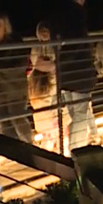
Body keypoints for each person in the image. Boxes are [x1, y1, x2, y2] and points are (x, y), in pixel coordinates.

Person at [55, 0, 96, 151]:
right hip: (80, 73)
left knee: (75, 112)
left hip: (66, 75)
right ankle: (76, 150)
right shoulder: (78, 16)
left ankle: (77, 146)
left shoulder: (60, 16)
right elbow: (78, 44)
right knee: (80, 114)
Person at [0, 13, 34, 142]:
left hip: (15, 89)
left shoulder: (15, 43)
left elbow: (21, 64)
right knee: (4, 123)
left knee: (18, 119)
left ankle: (30, 147)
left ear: (5, 27)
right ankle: (12, 150)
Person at [28, 21, 66, 152]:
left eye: (46, 31)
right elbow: (37, 63)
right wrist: (48, 65)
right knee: (44, 113)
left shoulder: (55, 45)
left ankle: (59, 148)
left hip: (50, 81)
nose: (44, 34)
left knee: (55, 110)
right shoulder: (36, 47)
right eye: (42, 31)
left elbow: (44, 63)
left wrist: (46, 65)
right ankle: (49, 149)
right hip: (39, 83)